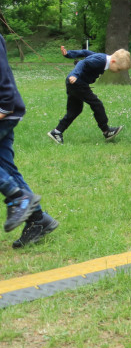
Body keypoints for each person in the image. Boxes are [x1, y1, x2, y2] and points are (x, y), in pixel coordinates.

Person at [1, 34, 59, 248]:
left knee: (7, 174)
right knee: (6, 167)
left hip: (4, 110)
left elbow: (2, 74)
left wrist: (4, 107)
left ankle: (17, 198)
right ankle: (38, 220)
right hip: (7, 110)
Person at [47, 46, 131, 144]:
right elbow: (83, 62)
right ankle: (107, 131)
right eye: (119, 69)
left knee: (75, 110)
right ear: (113, 62)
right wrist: (75, 74)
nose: (118, 72)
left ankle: (56, 132)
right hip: (77, 82)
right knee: (96, 104)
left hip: (74, 83)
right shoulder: (100, 61)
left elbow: (84, 52)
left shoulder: (102, 58)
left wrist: (68, 54)